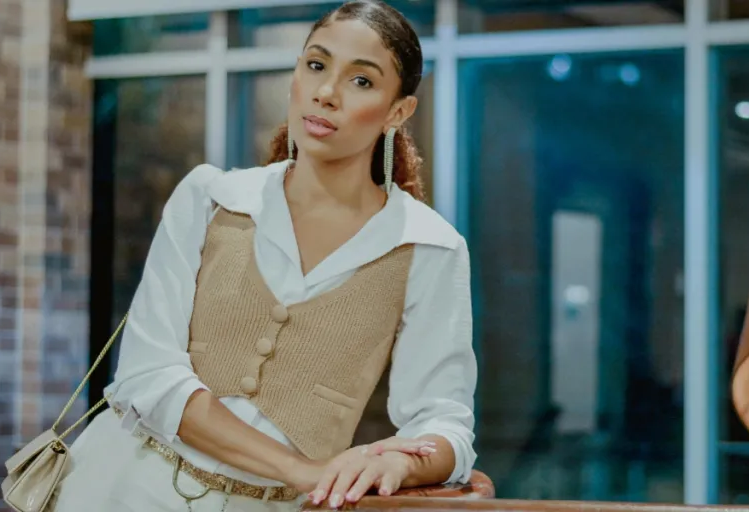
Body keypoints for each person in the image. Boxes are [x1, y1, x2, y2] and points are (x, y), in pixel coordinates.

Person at [53, 1, 476, 510]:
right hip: (117, 486)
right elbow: (146, 376)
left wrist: (403, 461)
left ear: (398, 112)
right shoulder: (211, 198)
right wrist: (305, 471)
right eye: (316, 65)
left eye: (361, 81)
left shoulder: (429, 246)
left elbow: (444, 422)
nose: (325, 93)